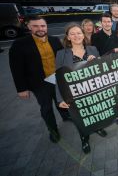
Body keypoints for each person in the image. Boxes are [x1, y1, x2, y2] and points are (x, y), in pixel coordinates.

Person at [9, 15, 70, 143]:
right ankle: (53, 130)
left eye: (42, 26)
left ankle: (66, 116)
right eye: (35, 26)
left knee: (61, 101)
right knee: (46, 108)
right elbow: (16, 69)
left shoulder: (54, 40)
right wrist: (21, 89)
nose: (40, 28)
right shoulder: (19, 44)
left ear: (46, 27)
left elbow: (63, 59)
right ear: (29, 26)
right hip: (39, 84)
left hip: (57, 80)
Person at [55, 24, 107, 154]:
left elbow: (102, 69)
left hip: (93, 90)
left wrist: (96, 61)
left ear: (83, 35)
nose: (76, 36)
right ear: (68, 37)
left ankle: (97, 127)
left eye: (79, 33)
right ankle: (84, 138)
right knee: (80, 118)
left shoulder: (93, 49)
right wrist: (60, 98)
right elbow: (58, 77)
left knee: (95, 112)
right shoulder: (61, 54)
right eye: (72, 33)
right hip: (74, 94)